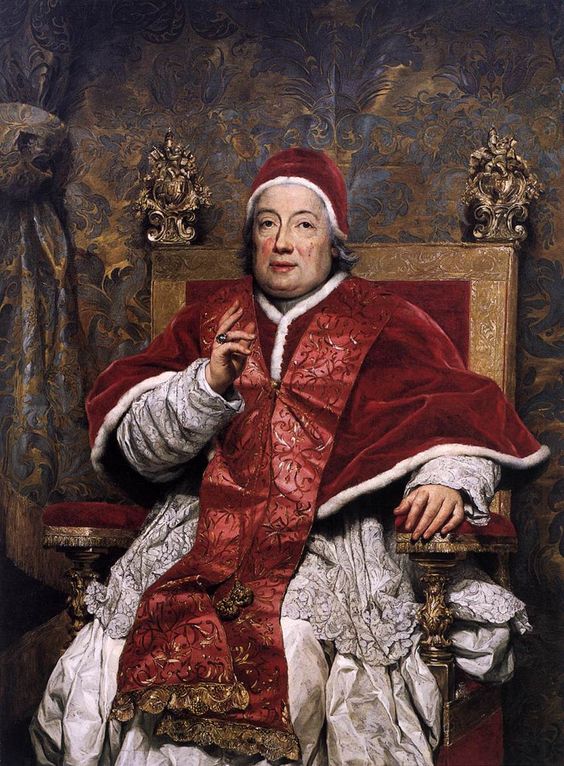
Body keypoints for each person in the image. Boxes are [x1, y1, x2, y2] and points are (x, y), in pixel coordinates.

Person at [32, 148, 548, 766]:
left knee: (294, 640)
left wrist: (445, 480)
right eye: (267, 223)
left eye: (303, 224)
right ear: (251, 238)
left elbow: (457, 413)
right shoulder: (209, 318)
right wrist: (206, 388)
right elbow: (142, 451)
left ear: (332, 239)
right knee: (133, 640)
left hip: (331, 539)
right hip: (204, 529)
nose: (283, 242)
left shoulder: (388, 321)